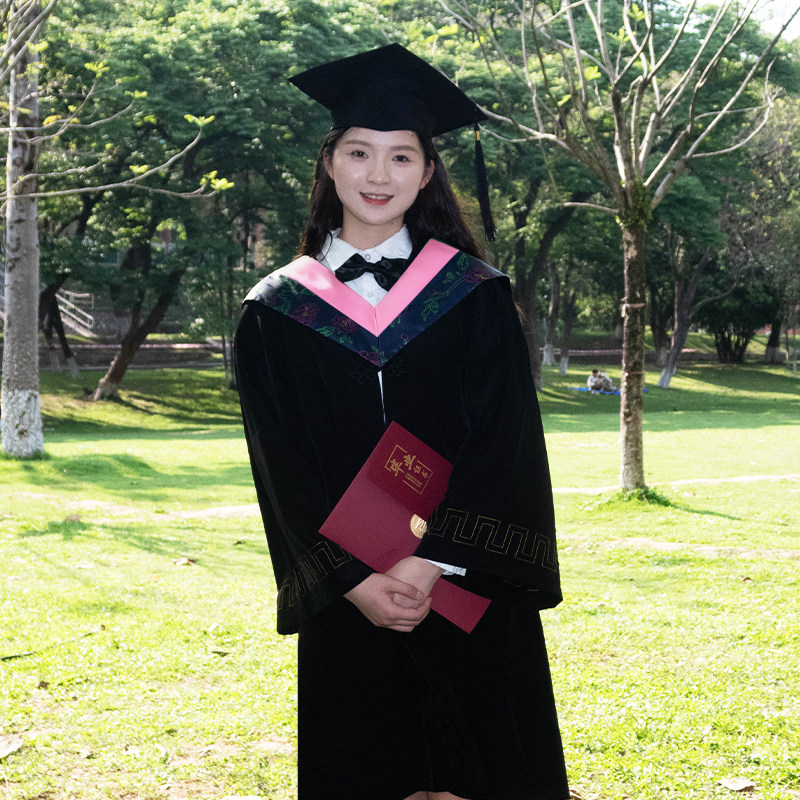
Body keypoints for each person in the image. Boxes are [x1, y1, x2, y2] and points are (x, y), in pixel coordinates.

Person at [235, 44, 569, 800]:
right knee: (370, 765)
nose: (377, 175)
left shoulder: (474, 295)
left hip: (465, 582)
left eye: (401, 156)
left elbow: (505, 442)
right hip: (351, 595)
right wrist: (353, 580)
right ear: (329, 164)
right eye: (359, 152)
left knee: (481, 768)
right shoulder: (275, 310)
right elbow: (281, 467)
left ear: (427, 173)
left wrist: (431, 560)